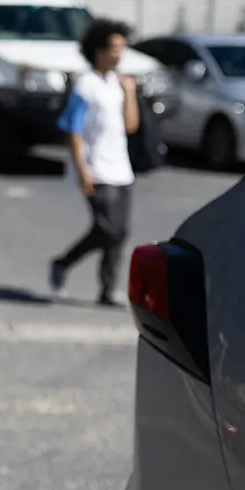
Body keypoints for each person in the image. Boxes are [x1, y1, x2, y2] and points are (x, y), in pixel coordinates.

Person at [48, 18, 141, 307]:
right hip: (96, 168)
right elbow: (72, 130)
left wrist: (129, 94)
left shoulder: (117, 84)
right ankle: (63, 262)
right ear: (99, 51)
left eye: (122, 49)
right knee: (108, 229)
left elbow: (131, 126)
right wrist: (82, 171)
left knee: (119, 233)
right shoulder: (85, 86)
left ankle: (107, 289)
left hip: (120, 169)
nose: (119, 55)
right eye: (114, 48)